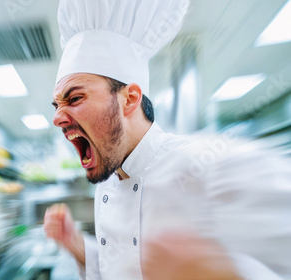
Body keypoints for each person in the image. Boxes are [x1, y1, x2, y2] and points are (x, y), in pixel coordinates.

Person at [44, 0, 291, 279]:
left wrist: (220, 271)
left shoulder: (220, 166)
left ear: (130, 99)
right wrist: (75, 244)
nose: (57, 118)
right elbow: (116, 268)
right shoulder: (108, 184)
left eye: (74, 98)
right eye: (56, 105)